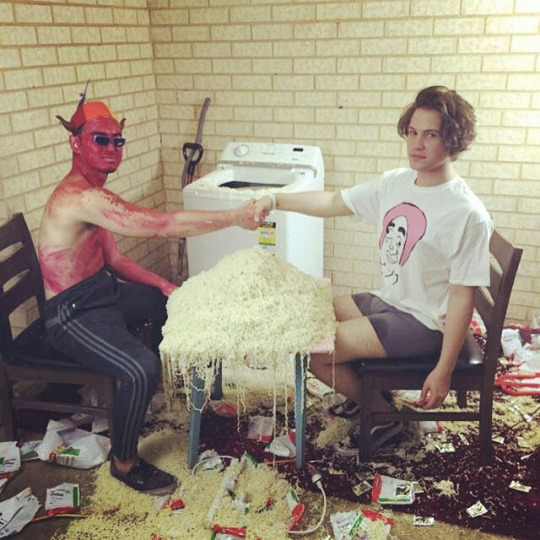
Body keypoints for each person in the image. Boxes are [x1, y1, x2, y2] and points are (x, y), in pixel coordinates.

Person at [255, 86, 493, 454]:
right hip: (393, 301)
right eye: (412, 132)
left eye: (431, 135)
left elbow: (463, 296)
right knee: (319, 310)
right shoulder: (396, 182)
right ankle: (364, 393)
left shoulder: (466, 213)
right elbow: (333, 201)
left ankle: (385, 416)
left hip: (426, 323)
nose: (417, 144)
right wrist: (275, 199)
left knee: (316, 351)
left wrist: (443, 370)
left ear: (453, 140)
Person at [39, 98, 258, 495]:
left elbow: (115, 259)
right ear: (76, 143)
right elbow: (161, 225)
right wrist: (233, 217)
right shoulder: (79, 198)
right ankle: (124, 463)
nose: (111, 148)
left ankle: (181, 393)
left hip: (102, 291)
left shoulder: (95, 193)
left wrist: (163, 286)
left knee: (177, 305)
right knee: (140, 369)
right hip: (71, 313)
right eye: (100, 139)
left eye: (118, 140)